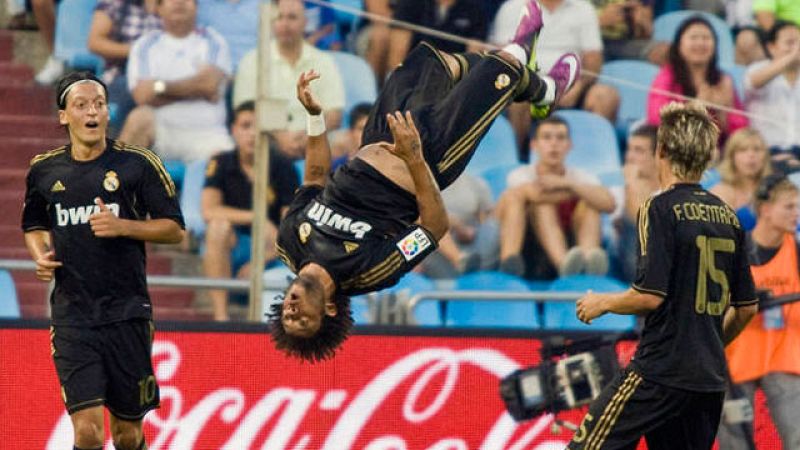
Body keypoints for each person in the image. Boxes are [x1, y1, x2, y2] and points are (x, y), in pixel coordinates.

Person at [268, 0, 582, 362]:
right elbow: (434, 227)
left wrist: (314, 117)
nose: (293, 312)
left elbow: (315, 177)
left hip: (379, 136)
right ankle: (520, 64)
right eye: (304, 321)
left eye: (288, 316)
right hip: (432, 154)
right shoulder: (368, 273)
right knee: (504, 61)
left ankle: (540, 91)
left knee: (431, 60)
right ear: (330, 310)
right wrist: (415, 157)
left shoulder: (289, 243)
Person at [568, 102, 758, 449]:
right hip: (708, 381)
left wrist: (602, 302)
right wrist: (710, 344)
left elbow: (649, 295)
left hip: (659, 372)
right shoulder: (729, 217)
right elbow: (746, 308)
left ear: (663, 151)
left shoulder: (659, 207)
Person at [21, 72, 184, 450]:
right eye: (81, 105)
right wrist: (40, 255)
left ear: (107, 112)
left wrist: (122, 225)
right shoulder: (44, 171)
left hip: (127, 312)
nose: (92, 111)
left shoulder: (137, 164)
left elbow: (174, 229)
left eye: (99, 104)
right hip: (72, 316)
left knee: (127, 435)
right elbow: (33, 224)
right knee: (89, 432)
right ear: (64, 116)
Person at [719, 174, 800, 450]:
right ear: (765, 209)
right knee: (735, 444)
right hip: (736, 359)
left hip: (783, 357)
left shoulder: (797, 250)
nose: (796, 214)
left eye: (797, 207)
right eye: (789, 207)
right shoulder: (734, 250)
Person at [202, 101, 299, 321]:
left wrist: (258, 263)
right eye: (246, 126)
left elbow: (289, 227)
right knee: (218, 228)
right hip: (233, 245)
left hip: (273, 249)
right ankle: (221, 317)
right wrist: (255, 218)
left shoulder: (283, 167)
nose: (252, 134)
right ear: (234, 130)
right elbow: (209, 210)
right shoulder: (221, 162)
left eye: (258, 127)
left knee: (278, 234)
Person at [496, 116, 615, 279]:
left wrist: (566, 183)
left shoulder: (578, 176)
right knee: (541, 205)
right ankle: (564, 266)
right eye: (546, 137)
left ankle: (588, 263)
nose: (554, 144)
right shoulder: (520, 174)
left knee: (590, 206)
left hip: (572, 243)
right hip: (529, 248)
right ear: (534, 145)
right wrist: (577, 190)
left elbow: (609, 204)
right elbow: (537, 195)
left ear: (569, 145)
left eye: (560, 138)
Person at [119, 0, 234, 163]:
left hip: (208, 134)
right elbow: (143, 96)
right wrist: (196, 88)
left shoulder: (214, 42)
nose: (179, 2)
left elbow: (209, 86)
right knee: (138, 118)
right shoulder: (144, 45)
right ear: (158, 7)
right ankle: (115, 187)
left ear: (196, 6)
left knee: (232, 162)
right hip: (163, 131)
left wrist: (159, 87)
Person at [233, 0, 345, 130]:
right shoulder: (252, 61)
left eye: (292, 17)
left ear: (305, 23)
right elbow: (245, 113)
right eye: (279, 17)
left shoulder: (324, 62)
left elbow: (334, 115)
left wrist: (308, 138)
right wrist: (280, 138)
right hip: (267, 140)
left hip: (315, 139)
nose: (285, 24)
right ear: (271, 22)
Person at [647, 16, 749, 143]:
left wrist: (722, 111)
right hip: (675, 147)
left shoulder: (723, 80)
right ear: (679, 44)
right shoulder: (667, 76)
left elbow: (741, 130)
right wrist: (696, 106)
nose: (700, 43)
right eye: (693, 38)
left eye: (706, 38)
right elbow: (656, 119)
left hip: (716, 150)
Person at [87, 0, 161, 133]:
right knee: (137, 93)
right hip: (122, 74)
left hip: (163, 75)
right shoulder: (116, 3)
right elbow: (95, 42)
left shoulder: (173, 5)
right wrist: (138, 51)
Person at [744, 20, 800, 169]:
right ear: (771, 47)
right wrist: (791, 57)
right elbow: (754, 82)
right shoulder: (757, 69)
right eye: (790, 43)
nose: (797, 48)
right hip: (765, 155)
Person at [610, 124, 660, 282]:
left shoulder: (670, 191)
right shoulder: (618, 185)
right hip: (623, 262)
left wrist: (632, 184)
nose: (629, 157)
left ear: (658, 155)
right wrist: (630, 184)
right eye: (629, 149)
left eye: (638, 151)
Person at [387, 0, 488, 71]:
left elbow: (472, 60)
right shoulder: (410, 3)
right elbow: (397, 56)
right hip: (412, 74)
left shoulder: (475, 8)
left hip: (452, 78)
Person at [711, 128, 771, 230]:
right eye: (743, 150)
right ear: (731, 157)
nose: (751, 155)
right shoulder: (719, 192)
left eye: (757, 149)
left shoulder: (774, 190)